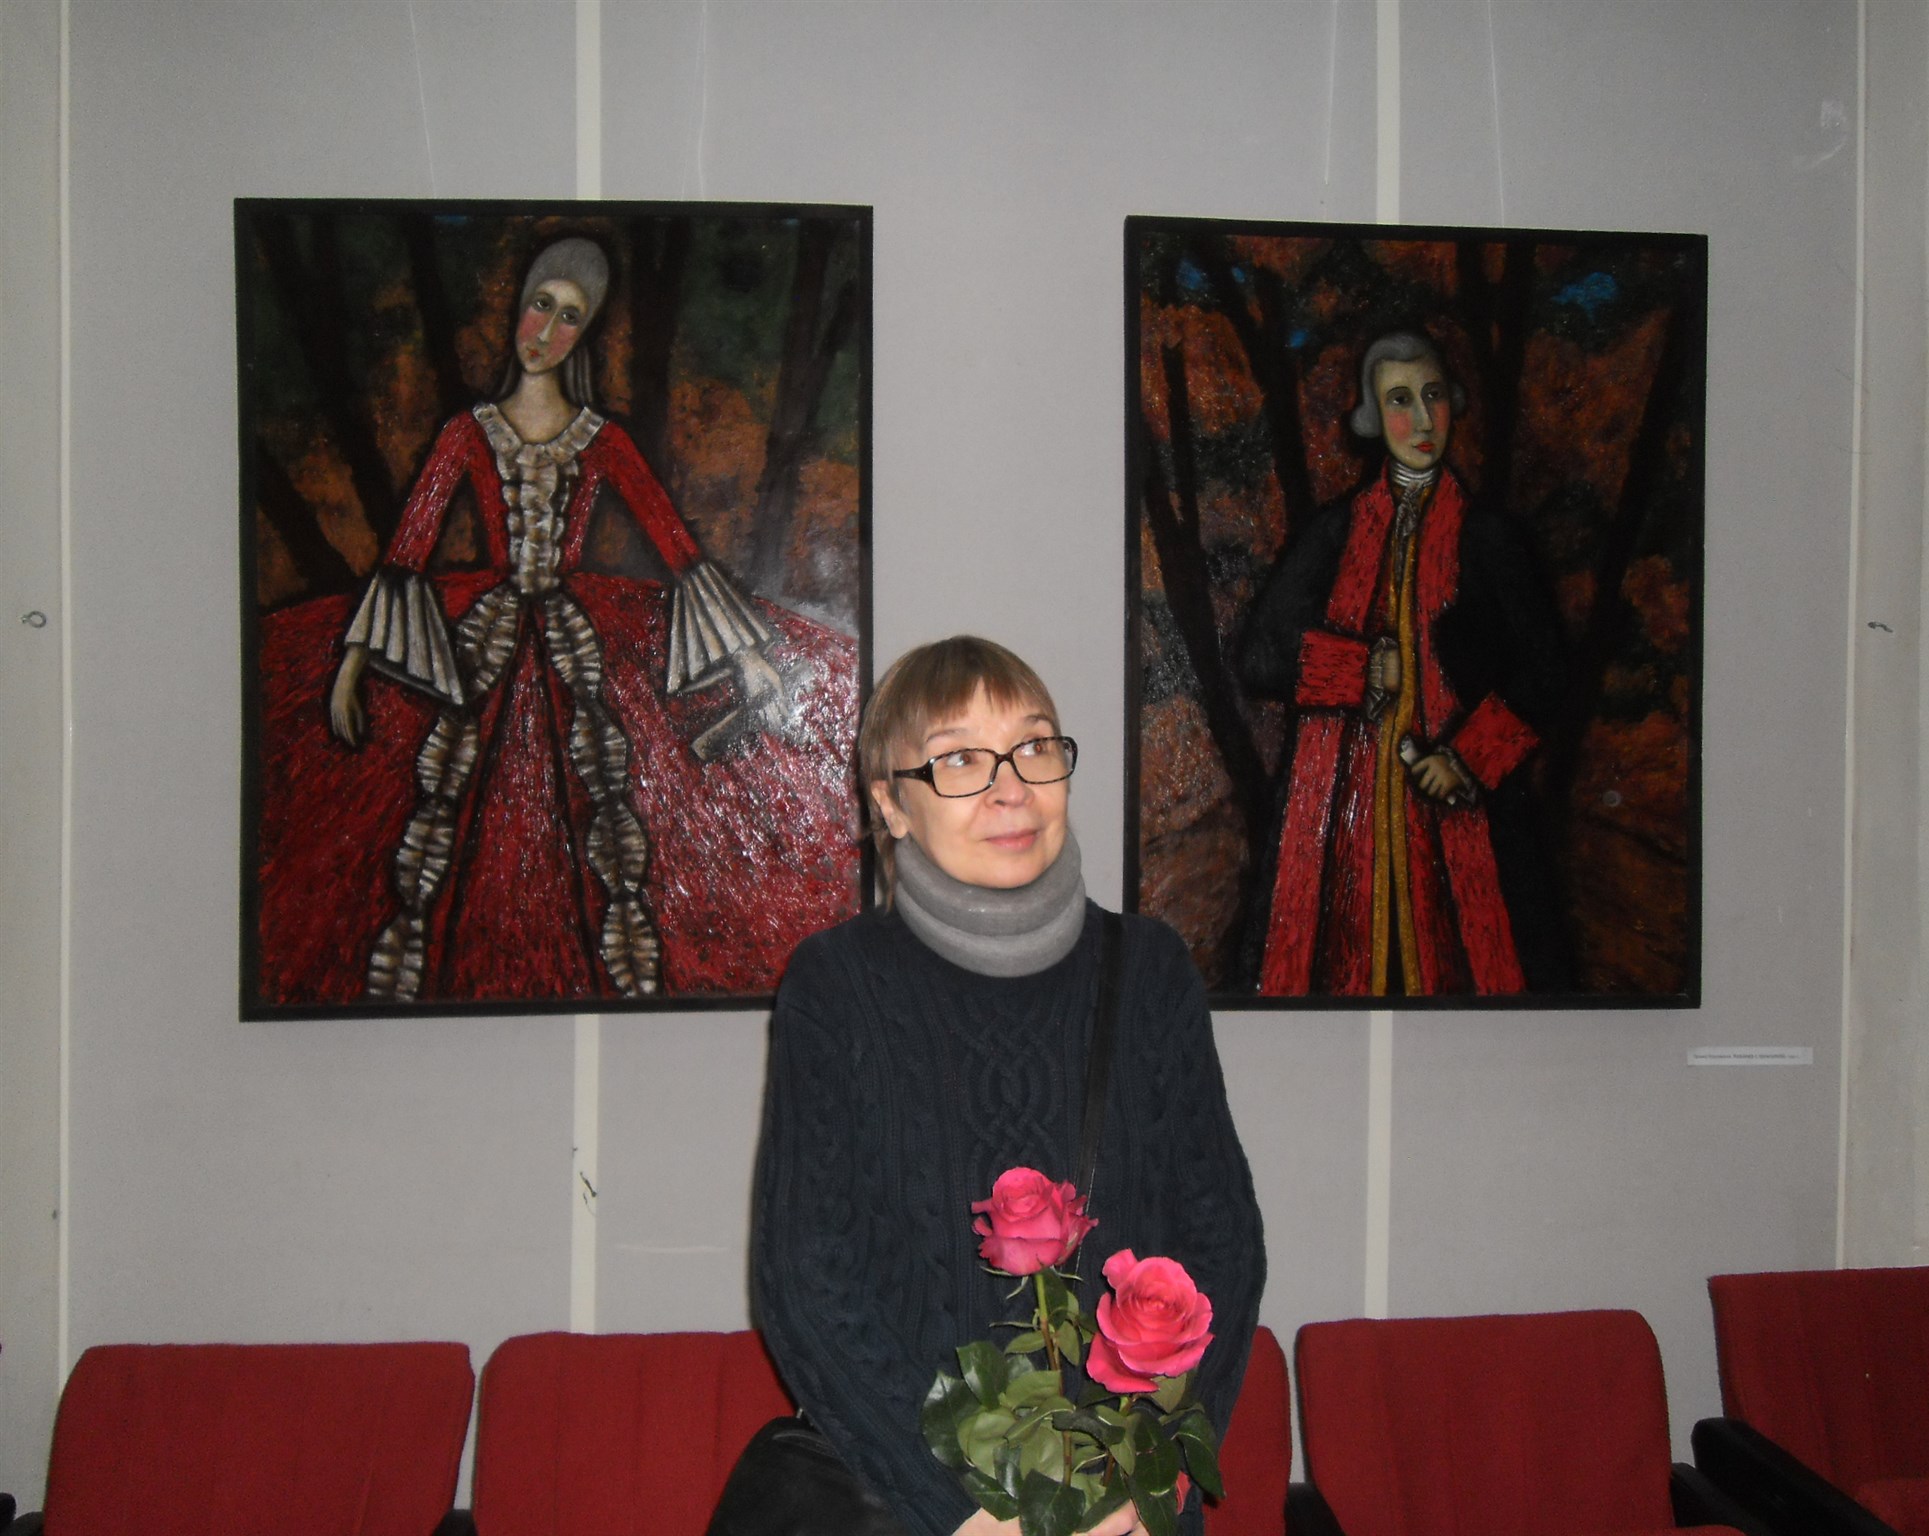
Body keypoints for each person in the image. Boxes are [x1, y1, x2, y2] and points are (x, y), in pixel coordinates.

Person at [748, 636, 1265, 1536]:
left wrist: (1146, 1477)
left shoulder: (1150, 972)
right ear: (891, 803)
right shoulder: (836, 987)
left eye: (1033, 747)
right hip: (928, 1514)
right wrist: (965, 1509)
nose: (1010, 787)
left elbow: (1223, 1244)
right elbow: (808, 1282)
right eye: (958, 760)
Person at [326, 235, 789, 1002]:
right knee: (445, 800)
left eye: (569, 316)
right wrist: (350, 666)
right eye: (540, 305)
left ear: (585, 333)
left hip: (574, 645)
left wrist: (748, 657)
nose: (546, 330)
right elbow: (409, 544)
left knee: (601, 800)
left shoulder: (603, 441)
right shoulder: (466, 433)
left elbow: (673, 541)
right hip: (488, 640)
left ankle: (626, 988)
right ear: (517, 307)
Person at [1240, 330, 1569, 997]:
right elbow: (1259, 656)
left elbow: (1548, 674)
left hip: (1469, 825)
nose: (1421, 419)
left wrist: (1467, 759)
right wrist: (1359, 671)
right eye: (1399, 400)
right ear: (1371, 414)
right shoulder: (1334, 534)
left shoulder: (1492, 540)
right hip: (1343, 833)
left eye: (1433, 395)